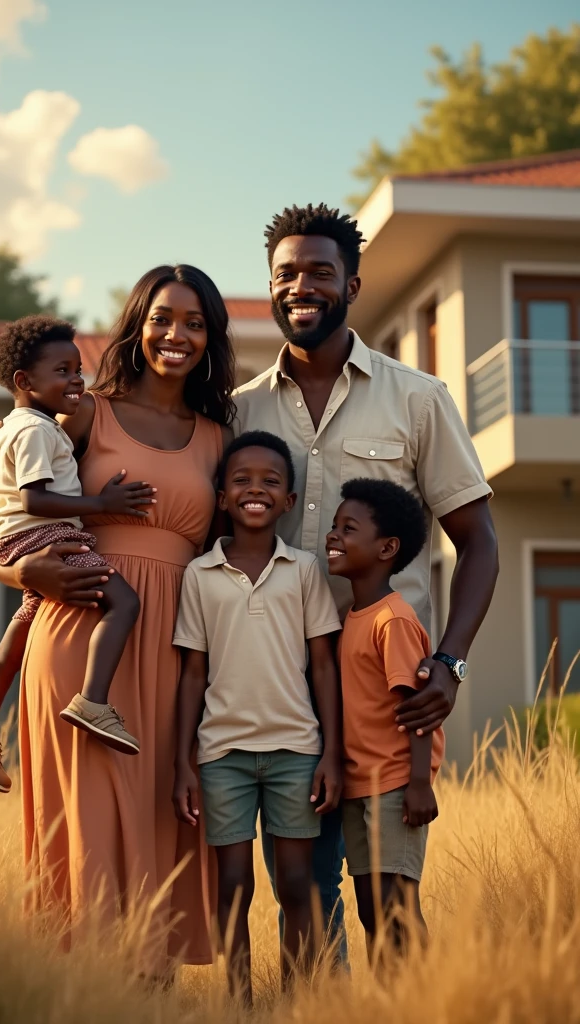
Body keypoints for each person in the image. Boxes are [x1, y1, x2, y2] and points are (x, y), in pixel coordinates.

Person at [0, 264, 236, 970]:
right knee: (89, 814)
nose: (177, 334)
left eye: (195, 322)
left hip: (173, 641)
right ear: (138, 325)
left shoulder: (217, 436)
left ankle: (149, 995)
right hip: (84, 624)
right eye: (163, 318)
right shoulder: (87, 410)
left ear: (212, 337)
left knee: (157, 813)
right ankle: (80, 988)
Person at [233, 203, 498, 963]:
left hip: (387, 703)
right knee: (303, 897)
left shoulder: (418, 398)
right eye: (286, 274)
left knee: (390, 899)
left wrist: (449, 661)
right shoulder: (239, 410)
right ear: (271, 287)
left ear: (352, 283)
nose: (301, 286)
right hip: (279, 692)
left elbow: (479, 542)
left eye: (320, 271)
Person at [0, 315, 149, 794]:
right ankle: (92, 701)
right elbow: (35, 498)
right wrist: (101, 504)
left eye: (79, 369)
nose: (76, 379)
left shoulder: (5, 431)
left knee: (15, 642)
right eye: (62, 370)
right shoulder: (36, 431)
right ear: (24, 381)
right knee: (125, 602)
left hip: (13, 540)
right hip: (46, 538)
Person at [172, 431, 341, 1004]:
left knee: (297, 884)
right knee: (232, 887)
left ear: (289, 501)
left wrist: (332, 755)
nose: (255, 490)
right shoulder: (199, 575)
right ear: (221, 496)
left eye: (271, 482)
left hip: (297, 750)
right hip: (222, 756)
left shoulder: (304, 570)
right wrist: (183, 764)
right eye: (242, 480)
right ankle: (239, 1003)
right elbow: (192, 674)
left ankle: (296, 1001)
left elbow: (323, 667)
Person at [326, 477, 443, 962]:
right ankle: (386, 1004)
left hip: (396, 785)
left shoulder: (391, 620)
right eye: (334, 526)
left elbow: (416, 710)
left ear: (386, 548)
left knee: (397, 904)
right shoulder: (352, 616)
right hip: (360, 787)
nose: (333, 536)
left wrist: (419, 784)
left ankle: (419, 1001)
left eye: (348, 528)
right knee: (372, 909)